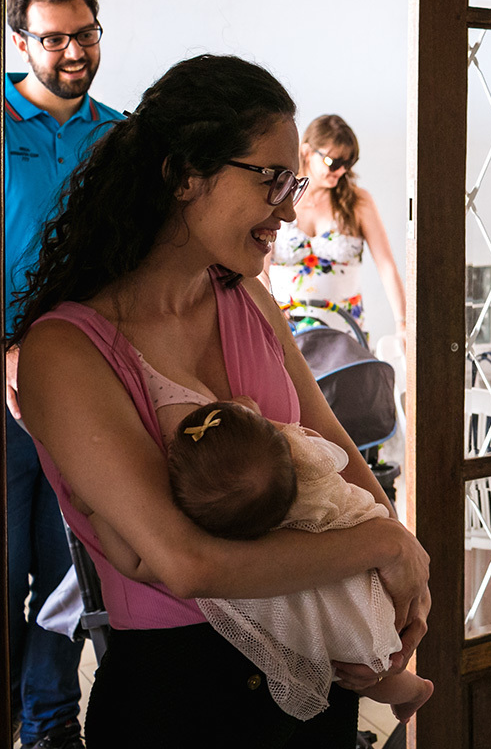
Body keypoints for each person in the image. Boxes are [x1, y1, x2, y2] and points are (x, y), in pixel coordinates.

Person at [6, 54, 430, 747]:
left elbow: (337, 450)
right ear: (182, 175)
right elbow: (184, 563)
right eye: (270, 180)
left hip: (316, 685)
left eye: (292, 181)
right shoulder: (67, 350)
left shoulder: (251, 301)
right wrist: (380, 543)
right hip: (182, 700)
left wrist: (402, 568)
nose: (288, 208)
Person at [81, 397, 433, 724]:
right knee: (371, 669)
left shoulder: (217, 540)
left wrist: (95, 509)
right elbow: (330, 452)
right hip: (367, 585)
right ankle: (413, 689)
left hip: (335, 620)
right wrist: (263, 421)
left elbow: (134, 564)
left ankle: (412, 690)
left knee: (351, 671)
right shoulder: (306, 468)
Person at [4, 0, 124, 749]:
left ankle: (52, 727)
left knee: (69, 575)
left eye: (86, 34)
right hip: (4, 388)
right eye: (55, 38)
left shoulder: (121, 137)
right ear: (21, 43)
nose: (74, 50)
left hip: (83, 385)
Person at [266, 114, 406, 337]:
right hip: (286, 332)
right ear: (306, 152)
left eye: (348, 164)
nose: (340, 171)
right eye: (333, 162)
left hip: (345, 336)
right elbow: (261, 271)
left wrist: (403, 323)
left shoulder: (358, 202)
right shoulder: (279, 198)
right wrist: (267, 313)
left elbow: (386, 266)